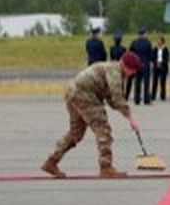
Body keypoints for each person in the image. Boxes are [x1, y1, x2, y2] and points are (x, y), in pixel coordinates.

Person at [40, 51, 143, 179]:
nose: (134, 73)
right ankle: (106, 168)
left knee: (75, 133)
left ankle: (51, 162)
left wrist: (126, 115)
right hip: (83, 95)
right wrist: (130, 118)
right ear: (126, 66)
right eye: (133, 70)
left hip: (73, 93)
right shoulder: (115, 72)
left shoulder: (113, 70)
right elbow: (117, 97)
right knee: (103, 129)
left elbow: (111, 99)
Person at [129, 27, 153, 105]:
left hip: (137, 63)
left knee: (137, 82)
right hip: (145, 63)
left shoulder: (134, 42)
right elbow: (150, 54)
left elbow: (131, 53)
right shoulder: (147, 42)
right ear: (144, 33)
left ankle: (137, 99)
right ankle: (146, 99)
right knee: (146, 82)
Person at [151, 36, 169, 101]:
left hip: (163, 67)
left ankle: (163, 96)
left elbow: (167, 58)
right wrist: (156, 62)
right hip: (156, 67)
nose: (158, 42)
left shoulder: (165, 49)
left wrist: (161, 63)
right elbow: (152, 57)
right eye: (158, 41)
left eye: (160, 41)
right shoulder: (155, 49)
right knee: (154, 82)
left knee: (162, 82)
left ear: (162, 42)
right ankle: (153, 96)